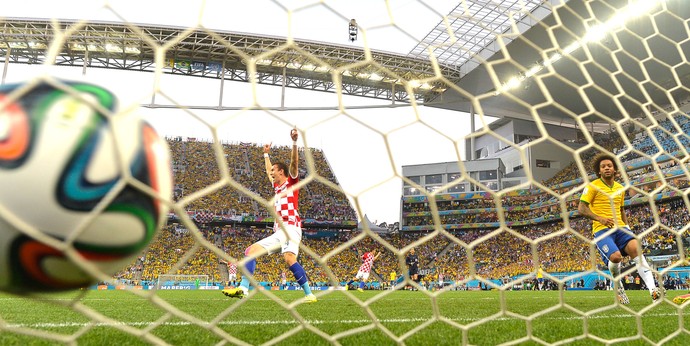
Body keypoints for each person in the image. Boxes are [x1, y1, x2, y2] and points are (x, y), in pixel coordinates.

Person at [222, 128, 317, 303]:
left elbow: (294, 164)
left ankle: (243, 288)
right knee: (289, 259)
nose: (271, 172)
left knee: (250, 251)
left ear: (281, 172)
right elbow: (268, 172)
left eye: (274, 170)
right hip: (287, 230)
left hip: (289, 227)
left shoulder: (291, 183)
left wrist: (295, 142)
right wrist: (266, 155)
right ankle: (309, 294)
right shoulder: (277, 187)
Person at [578, 153, 662, 304]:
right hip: (601, 229)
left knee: (636, 248)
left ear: (615, 169)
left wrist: (628, 228)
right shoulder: (592, 186)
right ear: (599, 171)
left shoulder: (620, 188)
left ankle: (653, 290)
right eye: (603, 167)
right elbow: (581, 208)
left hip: (621, 228)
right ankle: (618, 286)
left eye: (609, 166)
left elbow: (621, 209)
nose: (606, 168)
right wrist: (600, 218)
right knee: (616, 257)